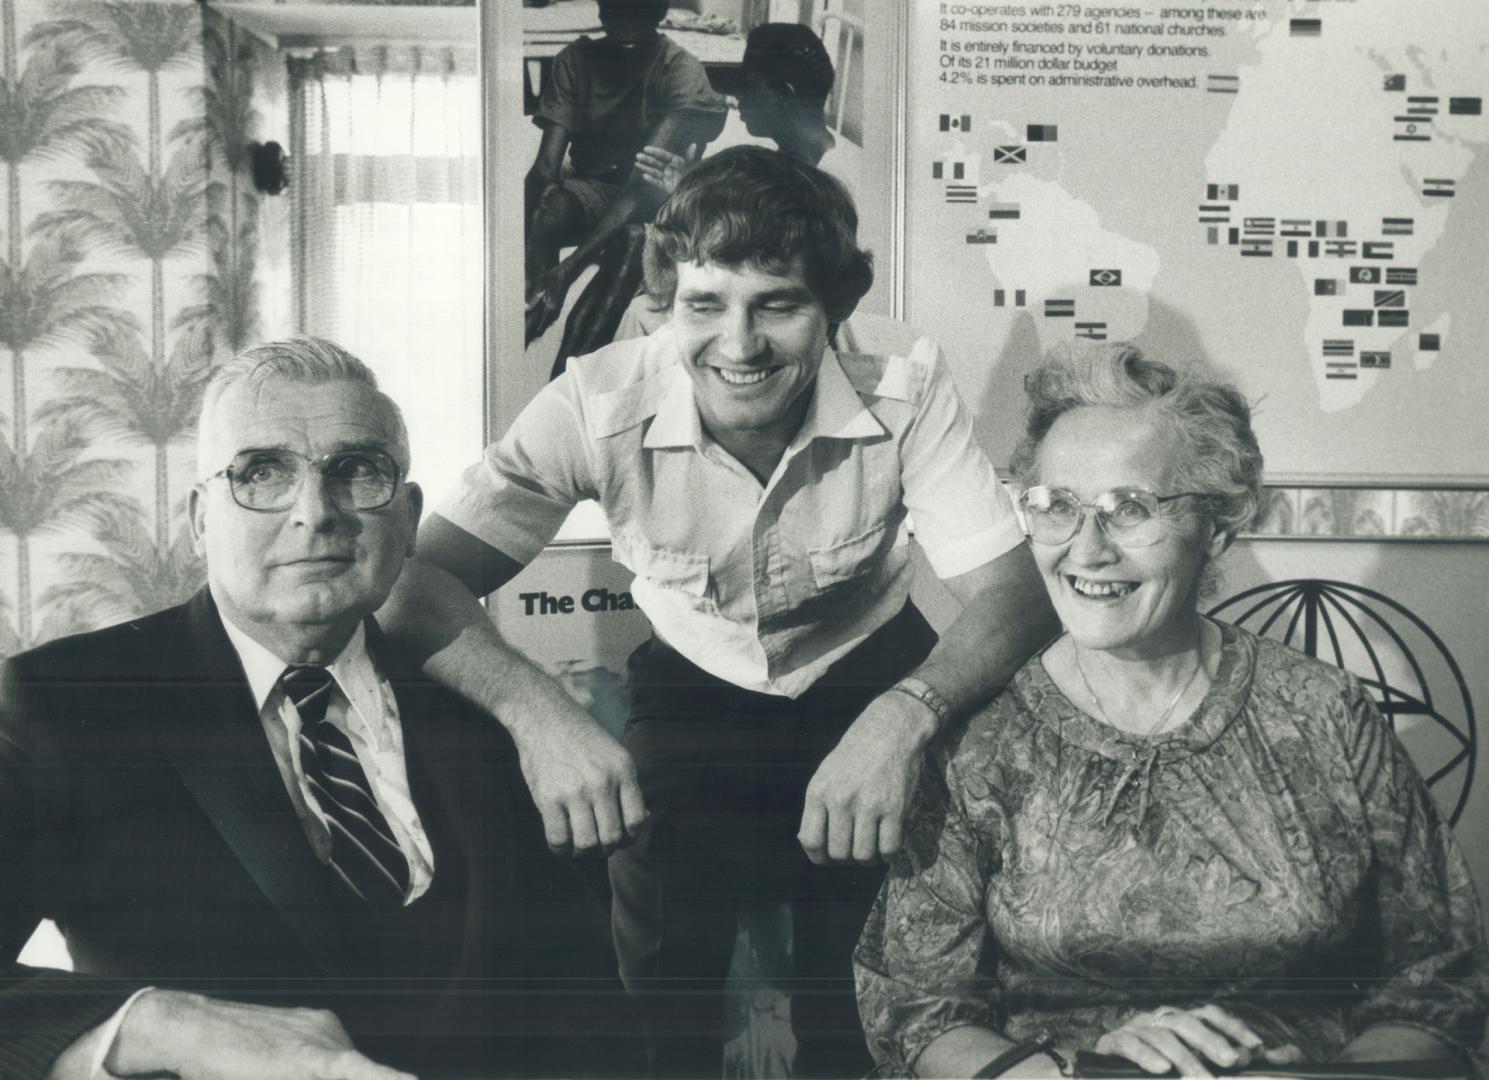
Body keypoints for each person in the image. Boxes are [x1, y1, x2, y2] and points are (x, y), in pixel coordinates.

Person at [381, 146, 1059, 1077]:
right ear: (663, 306)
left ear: (836, 307)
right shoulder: (594, 399)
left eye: (777, 304)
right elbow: (412, 583)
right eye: (705, 306)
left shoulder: (903, 379)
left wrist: (906, 718)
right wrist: (541, 717)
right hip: (696, 685)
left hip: (869, 672)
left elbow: (1016, 598)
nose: (737, 347)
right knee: (660, 1012)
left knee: (867, 1007)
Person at [854, 342, 1489, 1078]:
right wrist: (1080, 1072)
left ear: (1216, 524)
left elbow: (1436, 980)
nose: (1085, 550)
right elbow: (918, 1008)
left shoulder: (1326, 715)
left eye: (1130, 509)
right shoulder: (977, 742)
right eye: (1056, 506)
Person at [0, 338, 628, 1079]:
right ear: (201, 519)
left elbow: (587, 1014)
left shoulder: (497, 709)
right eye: (261, 473)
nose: (316, 513)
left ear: (408, 516)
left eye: (356, 471)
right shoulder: (64, 705)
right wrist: (165, 1025)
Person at [616, 21, 854, 345]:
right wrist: (692, 190)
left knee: (641, 313)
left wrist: (695, 200)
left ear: (785, 95)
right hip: (760, 303)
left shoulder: (840, 179)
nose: (735, 95)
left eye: (748, 84)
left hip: (797, 322)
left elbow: (775, 263)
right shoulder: (784, 160)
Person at [525, 0, 727, 357]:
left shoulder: (678, 68)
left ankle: (573, 365)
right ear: (602, 13)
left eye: (641, 12)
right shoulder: (576, 58)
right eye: (619, 12)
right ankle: (535, 314)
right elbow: (545, 169)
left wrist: (571, 267)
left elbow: (641, 182)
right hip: (596, 184)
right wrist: (526, 245)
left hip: (657, 196)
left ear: (659, 13)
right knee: (548, 209)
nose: (630, 25)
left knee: (633, 240)